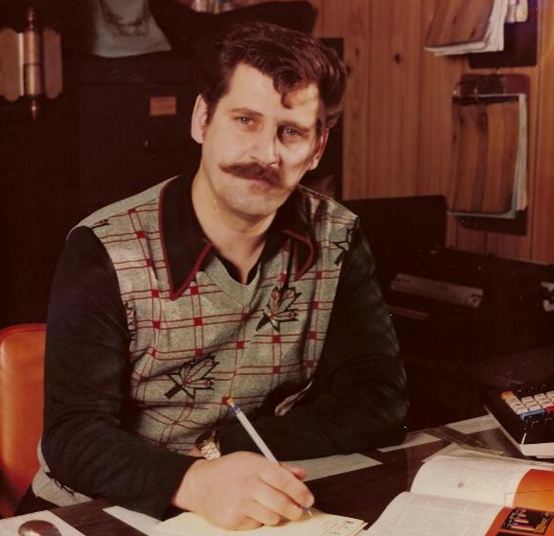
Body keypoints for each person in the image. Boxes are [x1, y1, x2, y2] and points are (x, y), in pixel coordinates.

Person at [21, 21, 408, 530]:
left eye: (291, 132)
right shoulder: (105, 246)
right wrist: (196, 481)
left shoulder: (337, 236)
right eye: (245, 120)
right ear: (202, 119)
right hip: (94, 508)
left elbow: (379, 400)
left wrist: (224, 449)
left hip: (247, 498)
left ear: (317, 148)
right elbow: (73, 436)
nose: (265, 155)